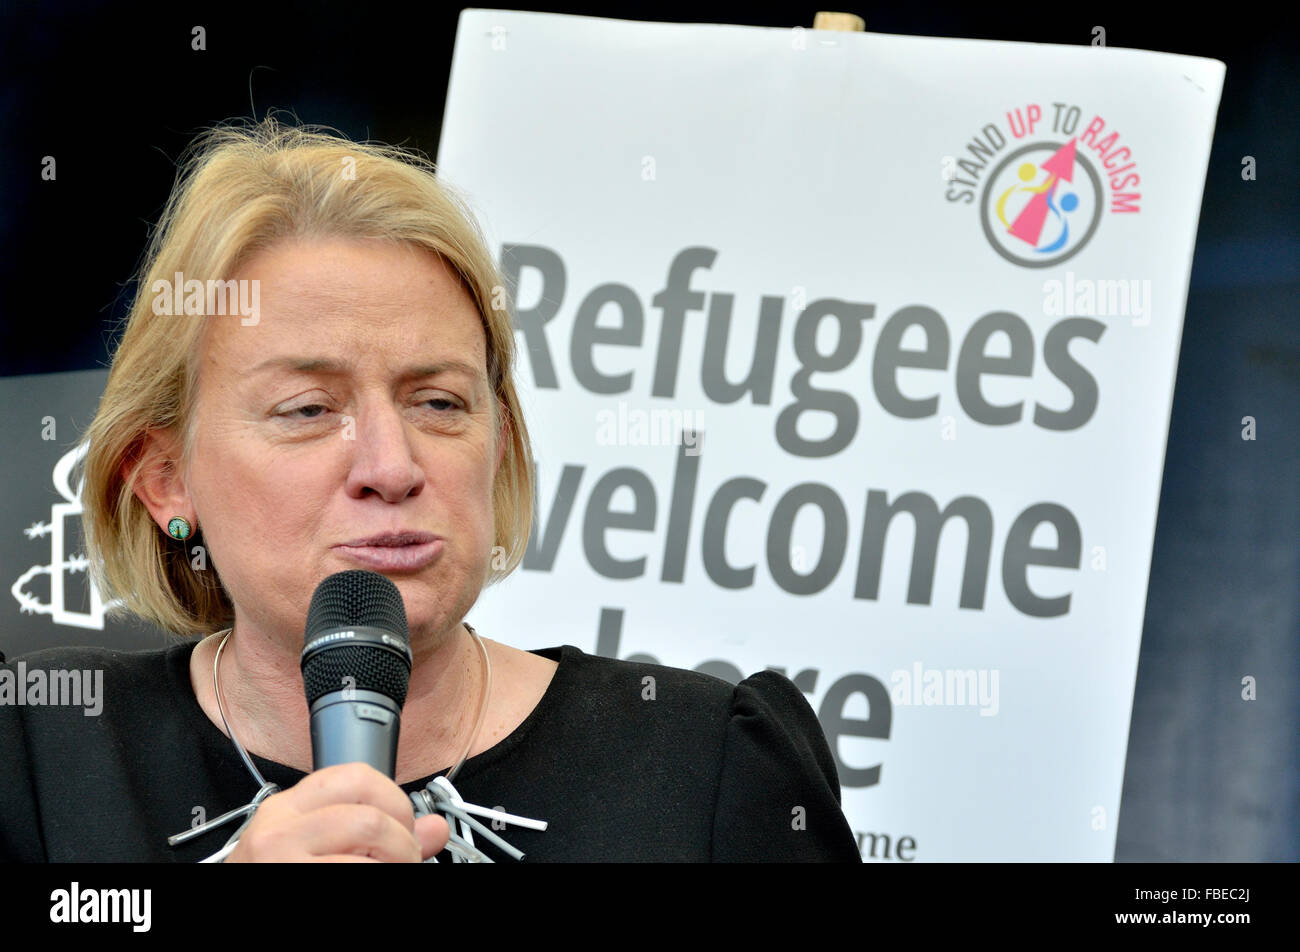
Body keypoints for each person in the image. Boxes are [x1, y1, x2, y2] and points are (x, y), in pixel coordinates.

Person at [0, 117, 861, 862]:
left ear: (501, 440)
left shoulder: (708, 763)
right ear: (164, 481)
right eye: (307, 408)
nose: (391, 465)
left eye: (439, 402)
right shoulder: (43, 754)